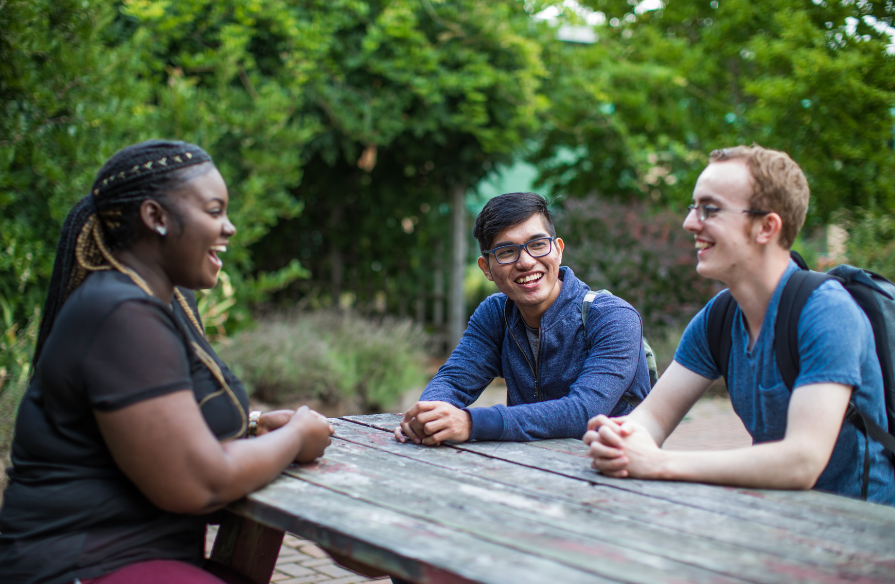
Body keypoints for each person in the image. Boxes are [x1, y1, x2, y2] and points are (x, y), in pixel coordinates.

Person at [0, 140, 336, 584]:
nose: (229, 228)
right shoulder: (121, 313)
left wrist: (254, 428)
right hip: (82, 565)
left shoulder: (152, 304)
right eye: (214, 211)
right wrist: (296, 436)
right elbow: (199, 483)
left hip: (133, 558)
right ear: (156, 217)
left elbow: (164, 432)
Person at [584, 145, 895, 504]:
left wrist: (658, 463)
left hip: (859, 532)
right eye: (693, 207)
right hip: (781, 521)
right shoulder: (720, 317)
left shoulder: (826, 312)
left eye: (709, 209)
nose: (689, 223)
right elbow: (652, 417)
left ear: (766, 226)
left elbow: (801, 461)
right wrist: (618, 437)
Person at [395, 192, 651, 446]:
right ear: (486, 268)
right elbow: (453, 380)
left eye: (538, 244)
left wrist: (471, 423)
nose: (526, 262)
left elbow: (584, 413)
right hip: (528, 471)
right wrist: (430, 416)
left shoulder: (612, 317)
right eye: (506, 251)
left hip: (613, 474)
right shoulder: (496, 314)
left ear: (558, 250)